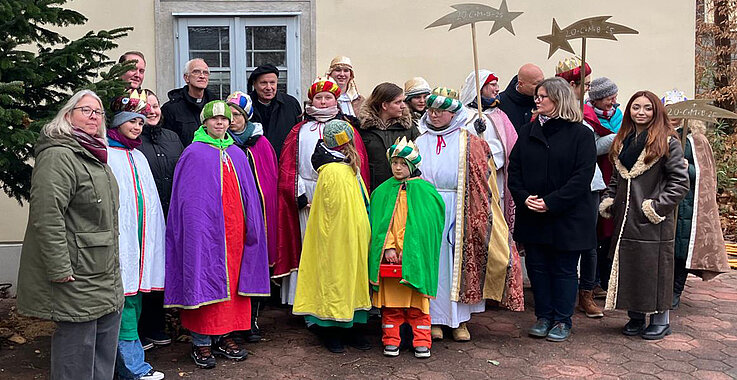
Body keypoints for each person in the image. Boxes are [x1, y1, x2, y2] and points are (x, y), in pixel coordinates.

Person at [16, 90, 123, 380]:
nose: (93, 116)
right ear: (67, 116)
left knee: (103, 351)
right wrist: (59, 268)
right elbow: (47, 216)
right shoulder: (59, 156)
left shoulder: (95, 154)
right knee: (76, 351)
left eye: (98, 112)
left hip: (103, 269)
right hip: (77, 272)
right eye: (85, 110)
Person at [164, 101, 270, 368]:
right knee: (205, 280)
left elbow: (249, 195)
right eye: (215, 120)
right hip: (207, 233)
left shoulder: (235, 153)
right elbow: (188, 199)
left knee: (233, 286)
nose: (221, 123)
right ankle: (201, 342)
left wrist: (251, 227)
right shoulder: (194, 153)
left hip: (235, 235)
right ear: (205, 123)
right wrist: (196, 229)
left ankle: (225, 336)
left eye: (225, 119)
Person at [507, 77, 597, 342]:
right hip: (532, 213)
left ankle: (561, 320)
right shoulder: (527, 131)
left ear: (559, 99)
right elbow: (515, 170)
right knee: (537, 268)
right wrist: (524, 198)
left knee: (564, 269)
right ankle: (543, 316)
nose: (537, 100)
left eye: (543, 96)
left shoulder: (581, 133)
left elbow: (582, 177)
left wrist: (552, 201)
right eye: (536, 96)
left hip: (567, 215)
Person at [599, 90, 689, 340]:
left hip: (652, 221)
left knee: (655, 270)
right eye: (636, 107)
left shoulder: (667, 141)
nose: (641, 112)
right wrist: (610, 200)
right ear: (628, 110)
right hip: (625, 219)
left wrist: (656, 207)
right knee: (631, 267)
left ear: (656, 111)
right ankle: (636, 316)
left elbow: (680, 183)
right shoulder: (623, 139)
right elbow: (617, 177)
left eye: (647, 108)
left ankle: (661, 320)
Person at [274, 78, 370, 305]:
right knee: (309, 245)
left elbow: (358, 166)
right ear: (311, 100)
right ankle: (307, 300)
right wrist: (298, 194)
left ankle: (337, 297)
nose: (324, 102)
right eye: (319, 97)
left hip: (339, 194)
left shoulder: (348, 130)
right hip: (307, 194)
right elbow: (289, 165)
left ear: (336, 101)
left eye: (329, 98)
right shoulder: (299, 130)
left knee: (336, 246)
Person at [415, 87, 497, 342]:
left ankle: (459, 321)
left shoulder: (468, 139)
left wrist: (484, 142)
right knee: (434, 263)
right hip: (427, 205)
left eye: (440, 111)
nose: (434, 115)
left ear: (452, 113)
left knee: (457, 264)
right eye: (430, 110)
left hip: (459, 204)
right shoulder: (420, 140)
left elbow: (485, 171)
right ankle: (434, 319)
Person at [292, 120, 372, 353]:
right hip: (338, 235)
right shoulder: (333, 169)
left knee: (353, 277)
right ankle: (331, 329)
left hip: (354, 232)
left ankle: (353, 326)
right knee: (336, 277)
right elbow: (333, 208)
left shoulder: (346, 165)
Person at [106, 92, 166, 380]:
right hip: (121, 242)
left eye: (141, 122)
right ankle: (133, 368)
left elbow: (149, 202)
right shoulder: (106, 154)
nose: (138, 126)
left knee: (135, 300)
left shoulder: (138, 155)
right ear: (119, 122)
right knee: (125, 302)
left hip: (141, 243)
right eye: (132, 120)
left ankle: (124, 363)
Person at [368, 137, 444, 359]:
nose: (398, 168)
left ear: (412, 166)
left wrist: (409, 249)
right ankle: (391, 341)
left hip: (414, 257)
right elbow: (380, 225)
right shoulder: (382, 192)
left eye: (402, 163)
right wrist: (389, 247)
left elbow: (427, 225)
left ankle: (422, 341)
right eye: (394, 163)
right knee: (391, 307)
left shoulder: (425, 192)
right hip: (389, 259)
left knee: (417, 305)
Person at [459, 69, 524, 312]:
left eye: (497, 84)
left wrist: (492, 156)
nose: (496, 89)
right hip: (469, 182)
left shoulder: (500, 116)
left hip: (495, 181)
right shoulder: (462, 115)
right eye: (491, 85)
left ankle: (496, 287)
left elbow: (512, 148)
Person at [661, 90, 731, 309]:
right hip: (663, 199)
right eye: (669, 110)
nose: (673, 116)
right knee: (663, 247)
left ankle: (675, 289)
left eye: (677, 110)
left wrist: (687, 167)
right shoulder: (657, 135)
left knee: (681, 248)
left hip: (687, 203)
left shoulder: (696, 140)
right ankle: (661, 287)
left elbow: (706, 173)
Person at [555, 57, 613, 318]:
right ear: (571, 85)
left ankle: (587, 293)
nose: (588, 89)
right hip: (560, 184)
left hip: (589, 184)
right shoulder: (551, 112)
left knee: (589, 242)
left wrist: (611, 139)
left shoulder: (586, 113)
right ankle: (559, 292)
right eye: (584, 84)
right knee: (560, 240)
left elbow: (591, 150)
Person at [226, 90, 279, 342]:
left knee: (255, 265)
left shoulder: (260, 143)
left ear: (246, 117)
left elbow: (269, 181)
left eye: (237, 115)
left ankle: (251, 320)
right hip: (232, 214)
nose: (232, 119)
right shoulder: (220, 143)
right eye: (229, 114)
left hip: (257, 213)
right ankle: (231, 321)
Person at [137, 89, 182, 351]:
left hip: (170, 214)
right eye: (145, 107)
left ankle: (156, 325)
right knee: (143, 271)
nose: (152, 111)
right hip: (145, 217)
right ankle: (140, 329)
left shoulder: (173, 138)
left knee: (161, 271)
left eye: (154, 105)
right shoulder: (133, 141)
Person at [358, 82, 420, 191]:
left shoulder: (409, 128)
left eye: (403, 101)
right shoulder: (363, 129)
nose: (403, 106)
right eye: (398, 102)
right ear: (384, 105)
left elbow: (416, 160)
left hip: (403, 190)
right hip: (373, 190)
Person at [247, 64, 302, 158]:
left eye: (272, 83)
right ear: (254, 84)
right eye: (263, 83)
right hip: (255, 164)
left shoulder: (291, 104)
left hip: (284, 163)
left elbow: (299, 136)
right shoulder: (245, 106)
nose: (269, 87)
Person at [161, 58, 216, 146]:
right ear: (186, 78)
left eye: (205, 73)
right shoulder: (171, 109)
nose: (202, 76)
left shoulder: (215, 106)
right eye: (196, 72)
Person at [498, 63, 544, 130]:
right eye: (536, 83)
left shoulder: (545, 101)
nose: (542, 86)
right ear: (521, 84)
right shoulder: (500, 103)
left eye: (543, 81)